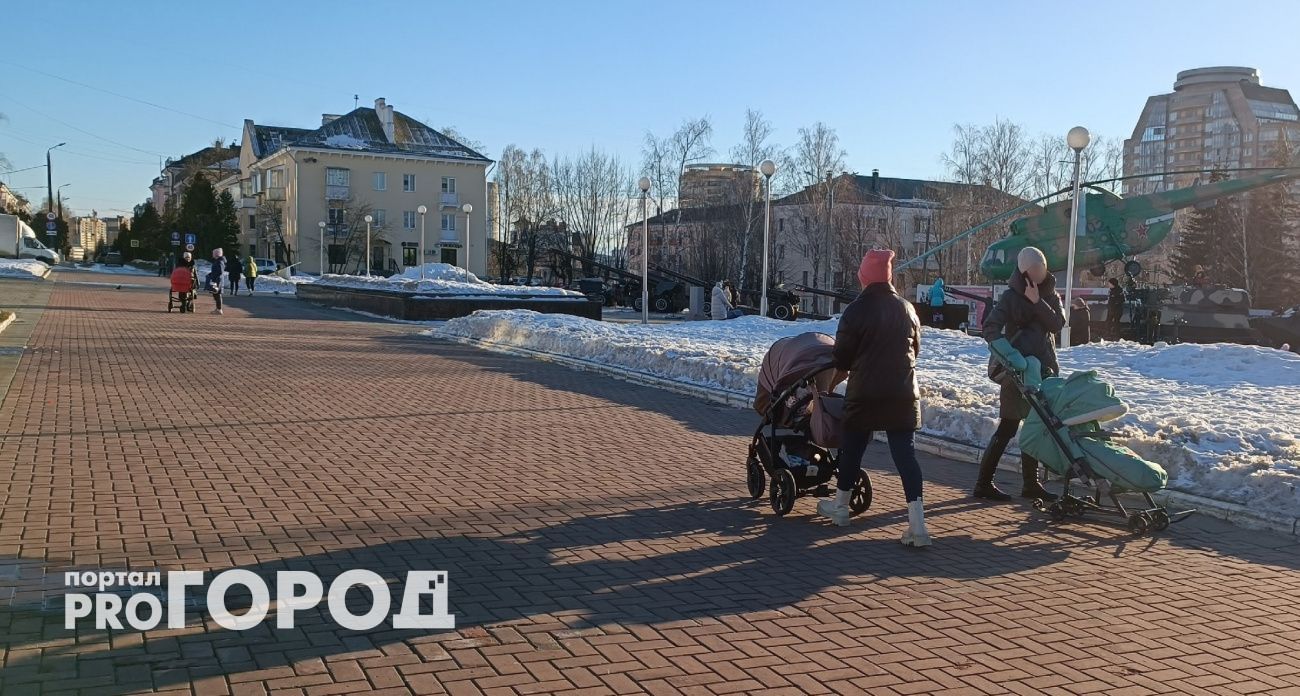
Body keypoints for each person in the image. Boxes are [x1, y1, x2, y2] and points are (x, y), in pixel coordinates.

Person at [817, 249, 929, 547]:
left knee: (852, 447)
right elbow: (914, 351)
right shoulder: (907, 309)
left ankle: (840, 507)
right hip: (902, 393)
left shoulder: (855, 310)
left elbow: (842, 358)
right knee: (905, 456)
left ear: (864, 277)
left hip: (865, 392)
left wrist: (830, 386)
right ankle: (918, 525)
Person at [973, 246, 1065, 502]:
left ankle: (1030, 484)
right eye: (1035, 267)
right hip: (1017, 374)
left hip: (1044, 371)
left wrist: (1038, 303)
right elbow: (990, 328)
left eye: (1042, 267)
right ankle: (983, 483)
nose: (1040, 271)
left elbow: (1058, 324)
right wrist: (1011, 357)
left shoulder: (1051, 294)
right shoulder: (1011, 297)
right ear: (1025, 270)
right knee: (1008, 427)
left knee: (1035, 426)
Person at [207, 248, 227, 315]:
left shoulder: (219, 261)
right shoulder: (218, 261)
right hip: (216, 280)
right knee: (216, 294)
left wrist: (214, 276)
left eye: (214, 254)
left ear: (216, 254)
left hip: (218, 281)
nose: (213, 255)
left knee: (217, 295)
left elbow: (220, 271)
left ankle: (219, 309)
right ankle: (218, 308)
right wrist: (211, 274)